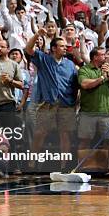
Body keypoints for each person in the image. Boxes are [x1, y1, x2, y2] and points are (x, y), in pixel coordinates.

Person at [25, 30, 78, 171]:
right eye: (62, 46)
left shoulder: (70, 65)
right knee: (40, 132)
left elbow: (74, 84)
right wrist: (37, 34)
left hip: (66, 104)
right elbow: (28, 49)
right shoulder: (44, 59)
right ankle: (32, 163)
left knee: (65, 134)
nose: (65, 48)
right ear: (53, 48)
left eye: (66, 46)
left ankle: (64, 166)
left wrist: (75, 102)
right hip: (48, 103)